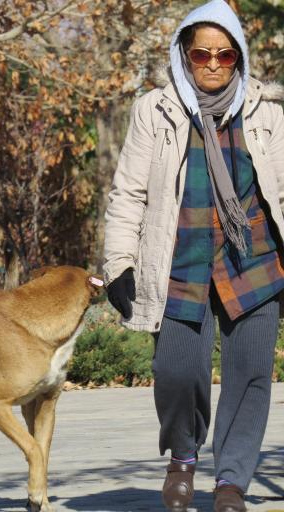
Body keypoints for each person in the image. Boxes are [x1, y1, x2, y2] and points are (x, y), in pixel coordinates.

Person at [103, 0, 284, 511]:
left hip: (254, 263)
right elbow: (128, 194)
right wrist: (119, 264)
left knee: (250, 375)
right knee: (177, 372)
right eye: (201, 53)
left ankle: (231, 481)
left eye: (225, 55)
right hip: (178, 261)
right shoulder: (154, 110)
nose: (211, 64)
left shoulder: (267, 112)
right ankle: (183, 455)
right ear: (183, 52)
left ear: (239, 59)